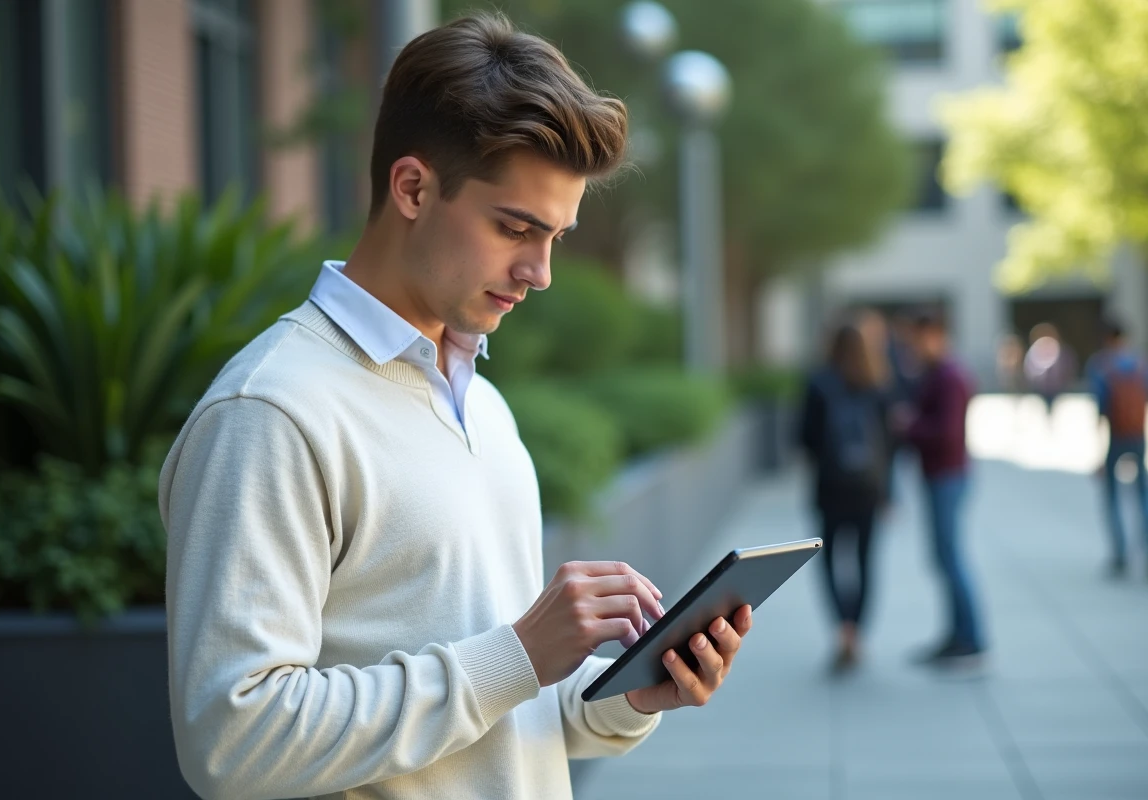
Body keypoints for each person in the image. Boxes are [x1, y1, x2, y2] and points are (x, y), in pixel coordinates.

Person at [158, 14, 754, 800]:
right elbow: (235, 743)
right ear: (412, 187)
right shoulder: (269, 412)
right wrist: (517, 656)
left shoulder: (486, 408)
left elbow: (497, 704)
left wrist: (629, 695)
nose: (540, 272)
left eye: (557, 237)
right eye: (515, 227)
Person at [799, 323, 892, 673]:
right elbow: (890, 446)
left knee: (830, 561)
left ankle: (842, 629)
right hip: (868, 489)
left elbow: (804, 438)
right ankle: (857, 631)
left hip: (830, 488)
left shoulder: (819, 382)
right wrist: (888, 492)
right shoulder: (877, 383)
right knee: (866, 562)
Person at [897, 311, 987, 668]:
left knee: (950, 558)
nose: (914, 349)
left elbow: (945, 432)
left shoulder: (949, 375)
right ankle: (958, 636)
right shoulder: (939, 373)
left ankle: (971, 639)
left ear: (934, 335)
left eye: (917, 341)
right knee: (944, 557)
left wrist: (909, 425)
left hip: (947, 475)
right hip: (943, 474)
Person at [1086, 317, 1148, 577]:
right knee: (1142, 496)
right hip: (1137, 436)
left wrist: (1099, 451)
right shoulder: (1139, 364)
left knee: (1112, 498)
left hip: (1115, 436)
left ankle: (1120, 554)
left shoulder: (1101, 366)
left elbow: (1101, 411)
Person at [1023, 322, 1076, 418]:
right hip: (1039, 390)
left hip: (1059, 390)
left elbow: (1068, 368)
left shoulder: (1063, 352)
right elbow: (1030, 369)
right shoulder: (1034, 351)